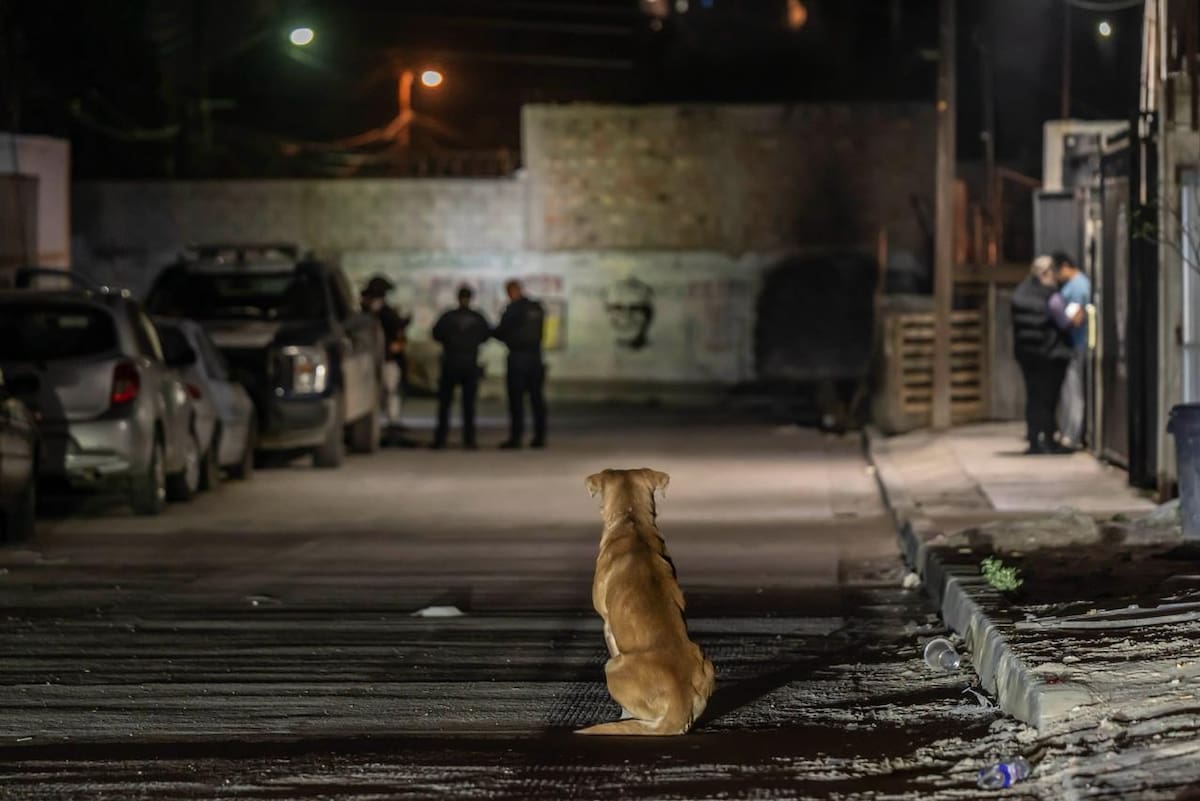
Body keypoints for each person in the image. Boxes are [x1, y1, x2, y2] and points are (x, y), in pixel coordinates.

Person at [1011, 256, 1074, 455]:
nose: (1055, 278)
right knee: (1048, 399)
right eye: (1053, 273)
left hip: (1026, 355)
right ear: (1045, 274)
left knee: (1033, 396)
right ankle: (1048, 438)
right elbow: (1064, 322)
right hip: (1049, 354)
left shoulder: (1020, 293)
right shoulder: (1051, 296)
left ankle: (1033, 439)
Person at [431, 285, 491, 450]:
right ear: (471, 298)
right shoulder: (477, 317)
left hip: (450, 362)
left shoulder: (448, 316)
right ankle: (469, 440)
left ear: (458, 297)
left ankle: (441, 439)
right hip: (470, 363)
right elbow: (486, 336)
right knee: (469, 404)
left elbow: (435, 334)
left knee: (445, 403)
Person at [493, 279, 547, 449]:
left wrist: (489, 333)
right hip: (536, 358)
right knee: (537, 400)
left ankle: (516, 438)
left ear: (510, 292)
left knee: (516, 401)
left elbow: (501, 331)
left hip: (518, 358)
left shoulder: (513, 309)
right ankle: (539, 437)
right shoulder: (537, 307)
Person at [360, 275, 411, 435]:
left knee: (390, 391)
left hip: (387, 359)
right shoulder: (364, 315)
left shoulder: (386, 313)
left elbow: (398, 334)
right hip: (368, 359)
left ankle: (392, 422)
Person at [1053, 252, 1091, 449]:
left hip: (1076, 344)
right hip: (1074, 343)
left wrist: (1060, 319)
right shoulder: (1075, 285)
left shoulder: (1077, 287)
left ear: (1066, 266)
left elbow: (1076, 317)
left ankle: (1072, 434)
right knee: (1069, 391)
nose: (1056, 277)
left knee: (1073, 392)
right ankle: (1070, 432)